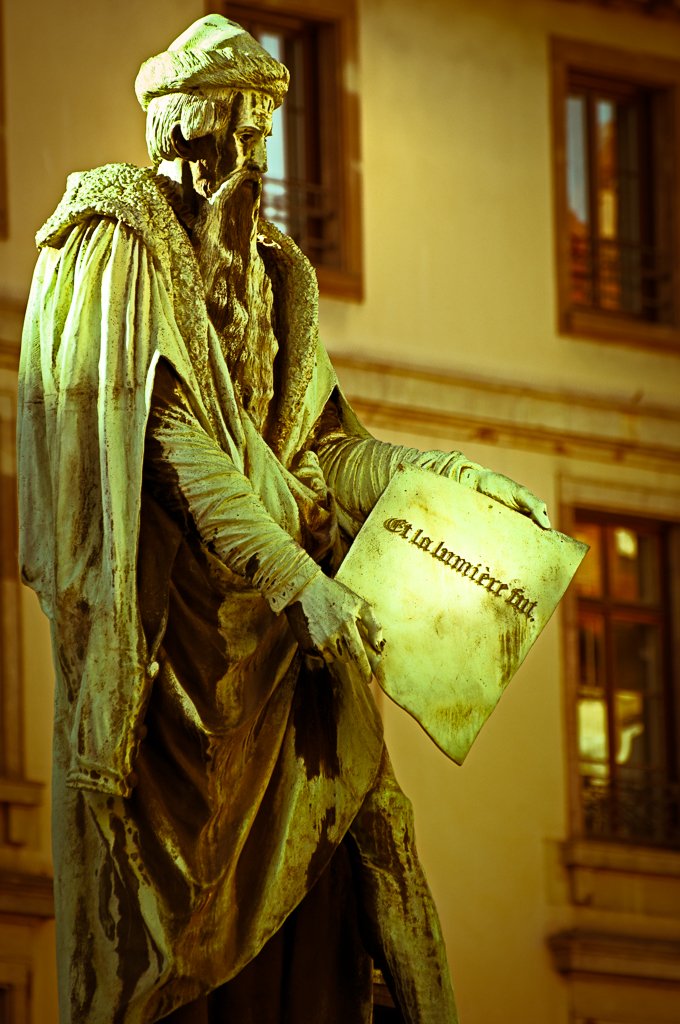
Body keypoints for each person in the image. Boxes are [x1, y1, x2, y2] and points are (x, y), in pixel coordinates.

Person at [18, 15, 550, 1024]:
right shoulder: (116, 243)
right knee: (167, 963)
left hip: (282, 668)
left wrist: (450, 478)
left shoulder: (278, 277)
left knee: (358, 878)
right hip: (175, 678)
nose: (253, 162)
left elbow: (322, 452)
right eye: (234, 135)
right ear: (179, 136)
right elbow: (169, 443)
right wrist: (297, 578)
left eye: (264, 136)